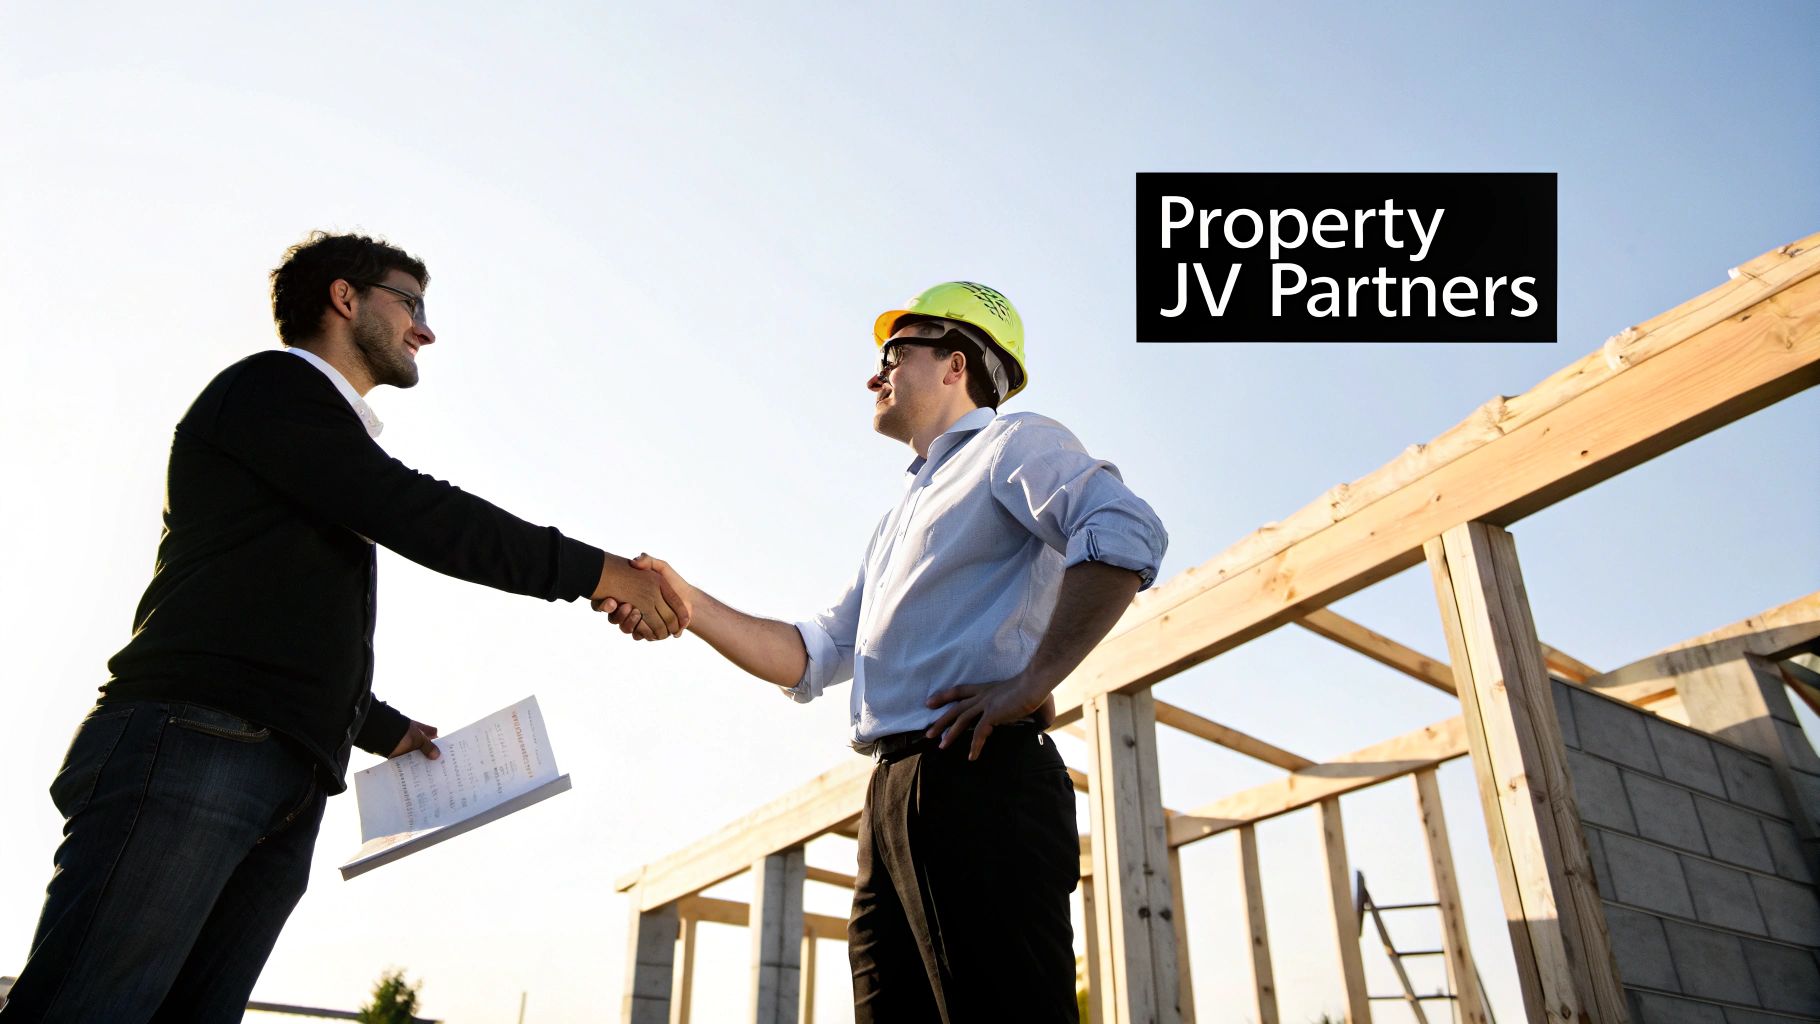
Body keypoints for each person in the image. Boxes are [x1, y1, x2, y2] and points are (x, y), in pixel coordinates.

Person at [2, 232, 685, 1023]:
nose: (425, 330)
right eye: (411, 303)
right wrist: (599, 572)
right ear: (344, 297)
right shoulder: (271, 389)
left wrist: (382, 727)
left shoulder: (313, 438)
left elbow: (268, 616)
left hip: (281, 772)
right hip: (192, 748)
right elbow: (415, 512)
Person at [603, 282, 1167, 1022]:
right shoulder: (902, 514)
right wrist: (688, 602)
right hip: (895, 795)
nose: (877, 375)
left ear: (955, 364)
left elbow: (1124, 530)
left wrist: (1032, 682)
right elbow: (816, 653)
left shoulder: (1014, 443)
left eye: (894, 354)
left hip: (979, 780)